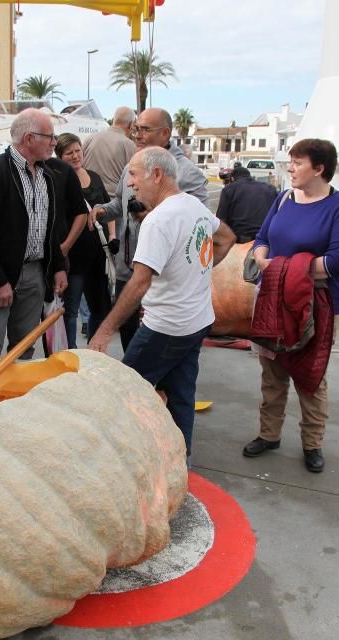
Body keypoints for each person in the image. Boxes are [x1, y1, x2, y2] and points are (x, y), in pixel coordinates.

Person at [88, 147, 234, 463]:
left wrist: (104, 330)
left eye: (135, 174)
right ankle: (181, 463)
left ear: (157, 174)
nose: (130, 183)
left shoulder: (159, 219)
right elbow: (226, 238)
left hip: (167, 326)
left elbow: (140, 281)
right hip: (196, 321)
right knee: (181, 395)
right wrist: (198, 273)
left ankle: (118, 463)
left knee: (124, 393)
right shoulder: (194, 205)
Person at [242, 138, 339, 473]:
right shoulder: (283, 200)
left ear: (319, 168)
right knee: (272, 373)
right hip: (272, 300)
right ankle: (269, 435)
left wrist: (283, 268)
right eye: (290, 162)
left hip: (317, 304)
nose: (290, 168)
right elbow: (263, 237)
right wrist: (263, 258)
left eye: (297, 162)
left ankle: (312, 443)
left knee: (311, 376)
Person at [91, 106, 209, 351]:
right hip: (128, 269)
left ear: (165, 134)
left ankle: (152, 384)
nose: (137, 135)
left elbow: (202, 224)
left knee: (158, 345)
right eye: (136, 129)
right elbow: (120, 203)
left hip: (163, 278)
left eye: (145, 129)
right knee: (130, 333)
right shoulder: (132, 166)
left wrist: (153, 216)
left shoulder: (189, 173)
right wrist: (102, 210)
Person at [0, 108, 70, 360]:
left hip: (36, 274)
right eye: (49, 136)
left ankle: (17, 398)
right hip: (1, 275)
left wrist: (57, 266)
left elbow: (50, 227)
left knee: (25, 347)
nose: (54, 142)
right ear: (29, 138)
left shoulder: (47, 174)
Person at [54, 132, 113, 344]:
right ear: (60, 156)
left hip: (98, 256)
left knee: (100, 307)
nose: (75, 156)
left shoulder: (94, 176)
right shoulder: (59, 182)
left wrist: (112, 236)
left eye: (78, 150)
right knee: (70, 311)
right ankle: (72, 353)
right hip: (75, 258)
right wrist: (64, 248)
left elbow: (107, 208)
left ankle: (91, 350)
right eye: (69, 153)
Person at [82, 106, 136, 198]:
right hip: (114, 203)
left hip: (88, 200)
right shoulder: (129, 145)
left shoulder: (90, 139)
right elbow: (134, 179)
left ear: (113, 120)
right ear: (131, 125)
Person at [216, 165, 279, 243]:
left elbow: (221, 220)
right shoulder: (270, 188)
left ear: (232, 178)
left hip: (241, 239)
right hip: (266, 238)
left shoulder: (229, 189)